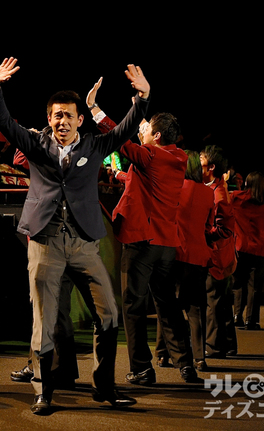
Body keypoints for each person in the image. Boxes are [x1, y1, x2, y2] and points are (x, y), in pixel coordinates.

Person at [0, 57, 148, 414]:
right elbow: (4, 123)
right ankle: (43, 391)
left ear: (79, 120)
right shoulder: (34, 144)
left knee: (109, 315)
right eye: (57, 115)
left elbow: (123, 131)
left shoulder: (94, 146)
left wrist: (141, 100)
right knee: (44, 322)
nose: (63, 121)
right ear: (49, 118)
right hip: (45, 242)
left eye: (69, 116)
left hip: (84, 244)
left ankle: (104, 388)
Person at [91, 82, 198, 385]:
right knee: (167, 305)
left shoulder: (151, 155)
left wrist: (95, 110)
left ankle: (141, 368)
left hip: (142, 243)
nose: (143, 130)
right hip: (166, 245)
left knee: (133, 306)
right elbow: (146, 176)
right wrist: (140, 119)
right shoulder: (177, 158)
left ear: (158, 136)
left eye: (148, 128)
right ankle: (186, 364)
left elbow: (120, 140)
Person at [154, 150, 215, 372]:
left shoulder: (173, 188)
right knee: (195, 308)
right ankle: (199, 357)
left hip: (174, 253)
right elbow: (208, 226)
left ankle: (163, 353)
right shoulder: (208, 193)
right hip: (198, 255)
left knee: (167, 305)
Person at [201, 145, 238, 358]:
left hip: (217, 256)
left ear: (212, 167)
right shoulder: (218, 187)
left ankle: (214, 346)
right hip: (223, 255)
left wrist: (203, 235)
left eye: (201, 160)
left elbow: (224, 229)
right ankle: (229, 344)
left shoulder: (219, 195)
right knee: (222, 302)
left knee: (214, 301)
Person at [231, 172, 264, 330]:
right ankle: (252, 320)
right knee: (256, 287)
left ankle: (237, 315)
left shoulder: (236, 198)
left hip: (241, 246)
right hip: (260, 248)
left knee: (239, 284)